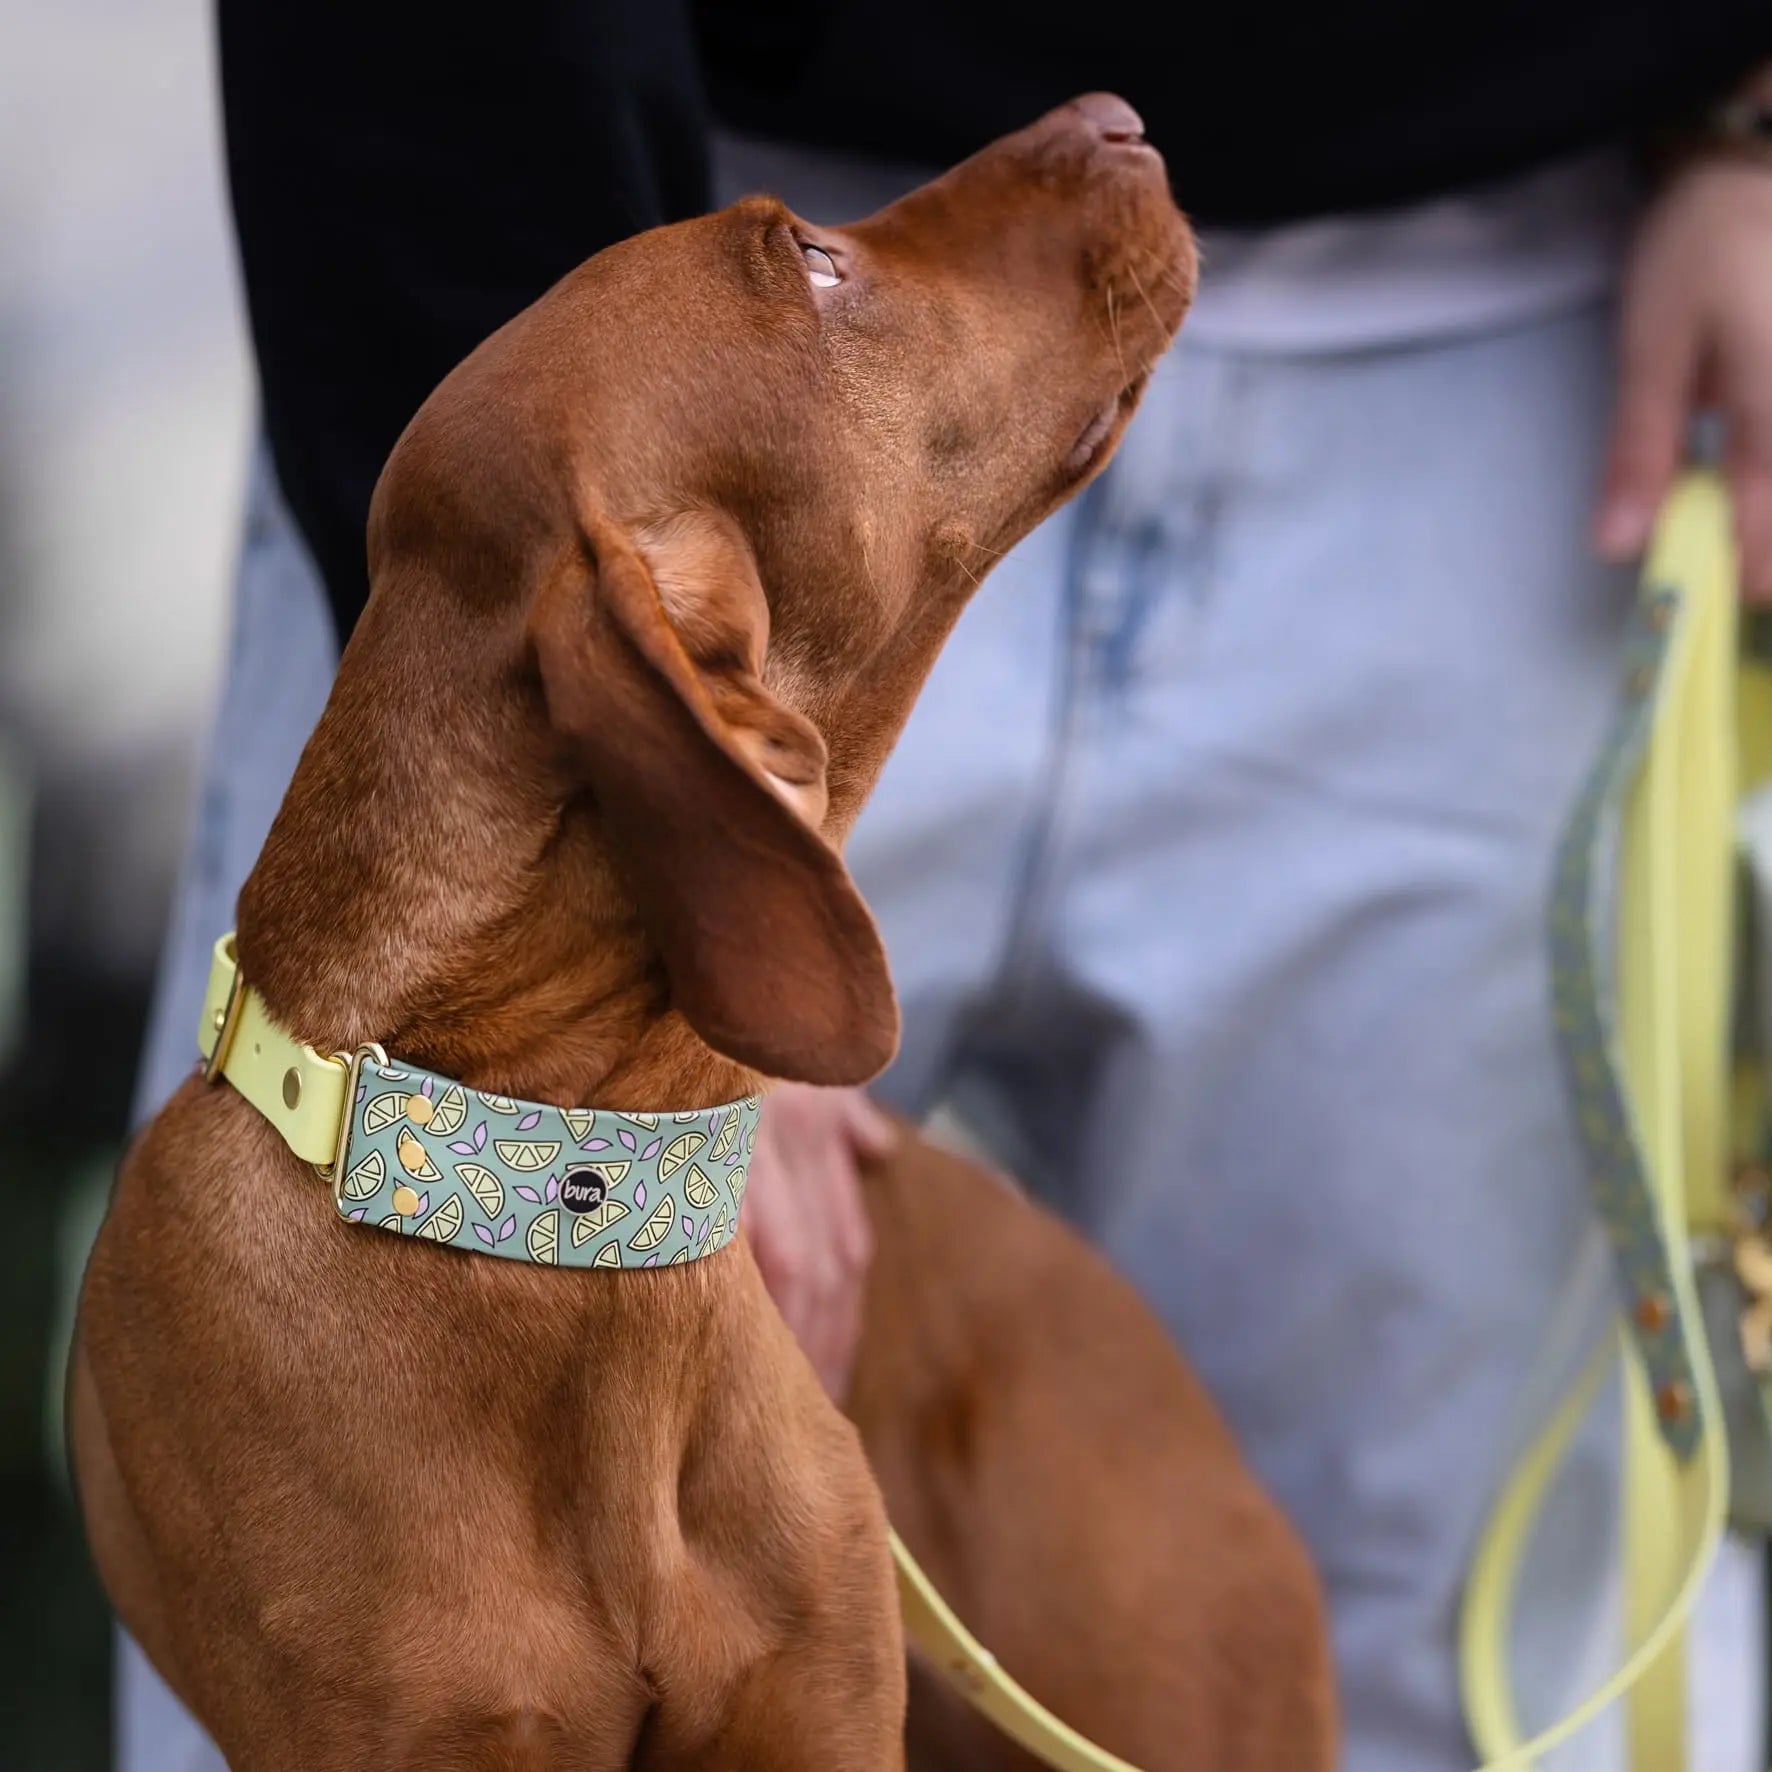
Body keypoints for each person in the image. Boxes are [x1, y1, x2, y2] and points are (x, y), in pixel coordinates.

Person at [123, 6, 1772, 1768]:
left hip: (1526, 343)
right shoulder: (585, 526)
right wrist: (632, 1018)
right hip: (617, 328)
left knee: (1462, 1690)